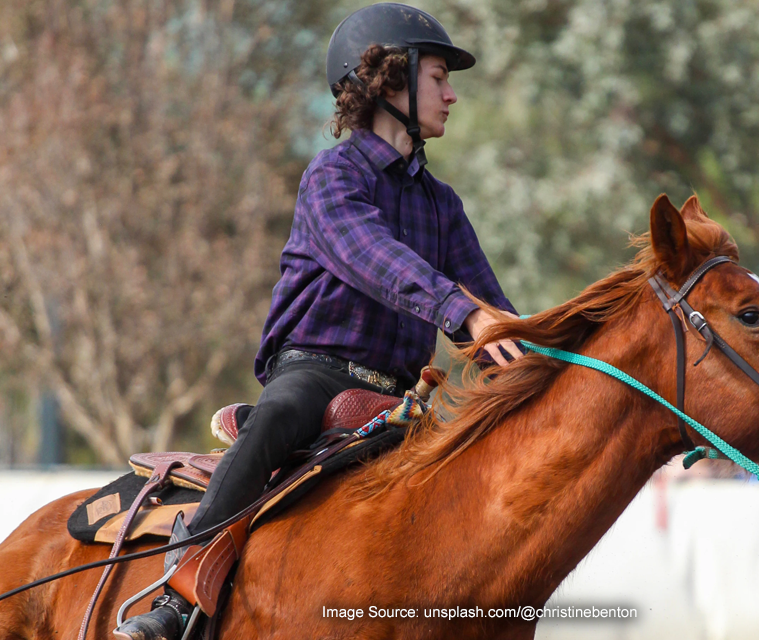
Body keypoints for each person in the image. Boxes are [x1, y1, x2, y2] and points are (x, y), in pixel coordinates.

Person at [114, 4, 520, 638]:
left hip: (403, 399)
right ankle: (176, 600)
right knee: (277, 414)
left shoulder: (444, 205)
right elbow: (373, 257)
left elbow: (492, 305)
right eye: (438, 76)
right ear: (389, 81)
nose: (453, 93)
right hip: (317, 375)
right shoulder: (331, 177)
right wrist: (462, 313)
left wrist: (538, 354)